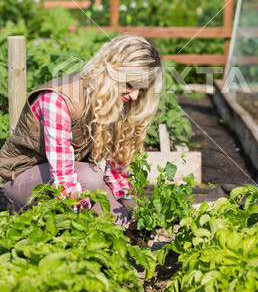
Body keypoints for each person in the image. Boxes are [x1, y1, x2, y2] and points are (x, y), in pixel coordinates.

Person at [0, 34, 162, 227]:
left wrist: (136, 211)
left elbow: (116, 170)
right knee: (91, 177)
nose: (135, 96)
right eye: (131, 85)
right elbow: (63, 176)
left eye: (141, 90)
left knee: (118, 220)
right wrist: (82, 219)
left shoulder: (112, 100)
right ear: (112, 72)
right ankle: (47, 225)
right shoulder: (58, 100)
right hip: (22, 176)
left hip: (75, 174)